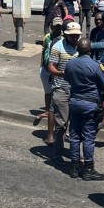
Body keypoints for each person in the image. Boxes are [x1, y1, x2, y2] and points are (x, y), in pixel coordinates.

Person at [64, 37, 104, 181]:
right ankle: (88, 168)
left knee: (75, 136)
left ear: (77, 49)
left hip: (75, 101)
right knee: (88, 138)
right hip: (90, 104)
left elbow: (68, 79)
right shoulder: (95, 66)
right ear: (90, 50)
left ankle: (74, 167)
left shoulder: (70, 64)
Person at [48, 22, 82, 164]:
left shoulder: (80, 46)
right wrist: (64, 73)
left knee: (77, 124)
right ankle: (57, 154)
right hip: (61, 89)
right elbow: (51, 67)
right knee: (61, 124)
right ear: (66, 35)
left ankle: (76, 155)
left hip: (77, 90)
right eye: (72, 36)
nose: (75, 38)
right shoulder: (58, 47)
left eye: (77, 36)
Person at [40, 17, 65, 146]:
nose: (57, 28)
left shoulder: (63, 40)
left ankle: (59, 133)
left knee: (57, 106)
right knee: (50, 102)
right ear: (51, 26)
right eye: (56, 26)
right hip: (48, 71)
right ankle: (52, 135)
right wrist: (41, 67)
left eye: (59, 26)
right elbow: (43, 51)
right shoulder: (48, 37)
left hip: (58, 75)